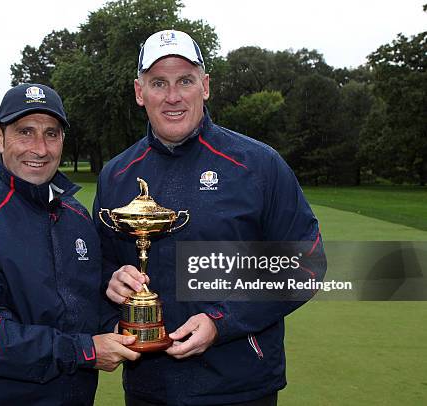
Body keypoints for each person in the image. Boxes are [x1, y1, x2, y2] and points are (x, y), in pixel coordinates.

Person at [93, 30, 325, 405]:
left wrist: (222, 323)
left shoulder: (258, 164)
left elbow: (306, 262)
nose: (173, 97)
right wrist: (112, 282)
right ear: (139, 92)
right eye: (158, 83)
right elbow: (97, 263)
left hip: (239, 385)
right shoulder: (117, 174)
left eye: (185, 80)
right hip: (150, 387)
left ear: (205, 86)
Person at [0, 83, 139, 406]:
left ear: (62, 141)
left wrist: (124, 312)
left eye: (51, 134)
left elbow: (84, 310)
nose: (39, 148)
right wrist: (85, 351)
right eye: (25, 132)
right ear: (0, 138)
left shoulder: (77, 217)